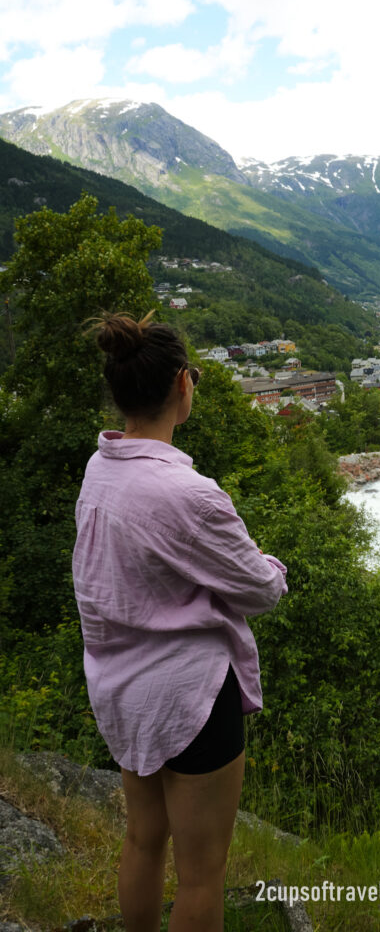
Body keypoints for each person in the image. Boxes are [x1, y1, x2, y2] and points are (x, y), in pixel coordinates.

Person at [72, 311, 287, 932]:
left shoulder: (100, 470)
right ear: (184, 386)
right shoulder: (188, 494)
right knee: (202, 872)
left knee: (143, 841)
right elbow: (259, 588)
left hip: (119, 686)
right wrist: (271, 564)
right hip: (191, 697)